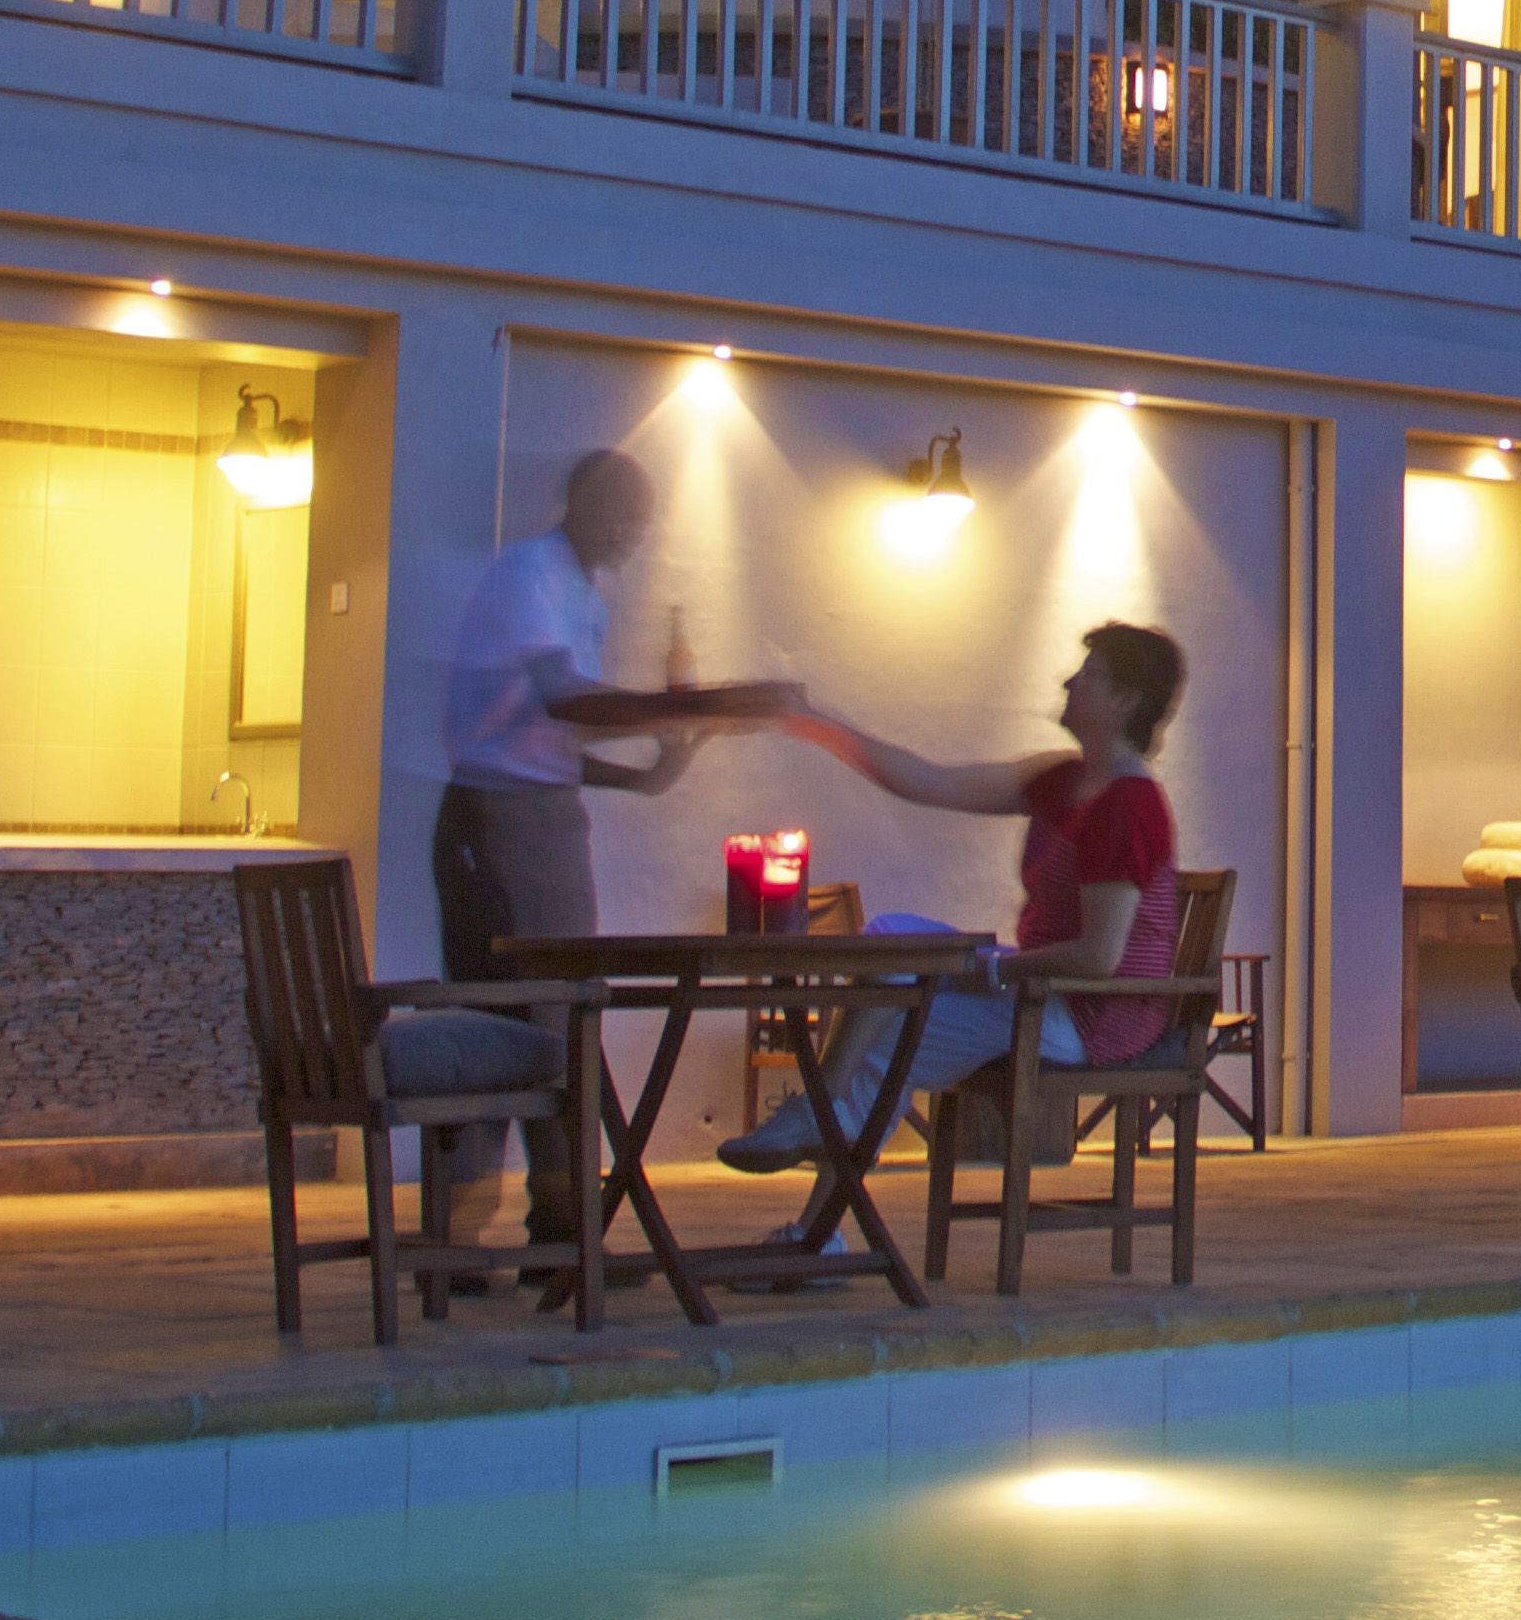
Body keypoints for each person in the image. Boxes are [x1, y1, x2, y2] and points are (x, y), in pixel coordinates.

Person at [720, 620, 1188, 1173]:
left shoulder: (1127, 806)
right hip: (1038, 987)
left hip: (1089, 1016)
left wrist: (992, 972)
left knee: (887, 1025)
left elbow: (1099, 957)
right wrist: (816, 723)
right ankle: (821, 1134)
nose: (1068, 683)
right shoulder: (1062, 780)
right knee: (889, 939)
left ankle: (819, 1150)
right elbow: (927, 781)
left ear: (1126, 700)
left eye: (1088, 675)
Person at [437, 449, 750, 1243]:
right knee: (507, 1020)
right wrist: (673, 711)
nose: (628, 534)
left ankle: (554, 1228)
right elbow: (564, 699)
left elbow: (558, 737)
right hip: (499, 818)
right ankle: (476, 1235)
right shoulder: (530, 575)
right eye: (618, 514)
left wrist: (645, 776)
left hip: (546, 810)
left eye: (638, 521)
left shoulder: (585, 594)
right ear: (579, 502)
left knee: (558, 1018)